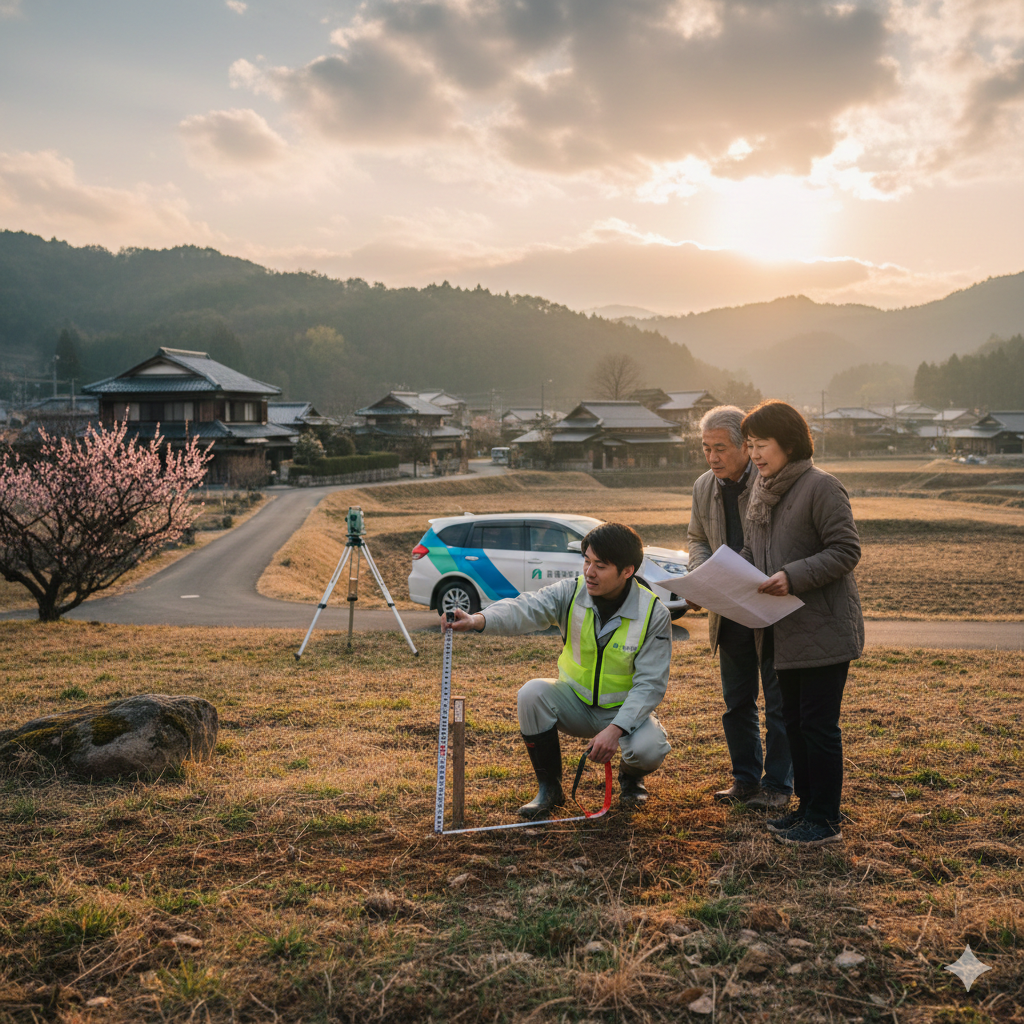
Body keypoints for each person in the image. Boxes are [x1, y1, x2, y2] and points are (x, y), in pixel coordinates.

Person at [442, 522, 672, 819]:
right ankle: (549, 790)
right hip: (574, 702)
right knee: (531, 693)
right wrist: (478, 620)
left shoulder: (654, 614)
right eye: (586, 561)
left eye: (600, 565)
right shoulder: (571, 591)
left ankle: (631, 779)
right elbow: (525, 608)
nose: (589, 572)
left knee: (650, 749)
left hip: (622, 713)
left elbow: (650, 685)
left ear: (627, 571)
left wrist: (615, 730)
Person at [740, 400, 864, 847]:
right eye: (749, 445)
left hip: (821, 628)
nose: (753, 454)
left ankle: (825, 819)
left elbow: (846, 550)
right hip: (777, 628)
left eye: (762, 444)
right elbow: (756, 554)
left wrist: (793, 576)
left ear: (789, 444)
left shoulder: (821, 487)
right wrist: (733, 575)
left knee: (818, 724)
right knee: (793, 721)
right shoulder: (763, 489)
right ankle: (805, 809)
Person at [687, 406, 793, 810]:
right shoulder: (702, 486)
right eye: (706, 448)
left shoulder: (771, 482)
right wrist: (699, 573)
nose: (713, 457)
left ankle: (779, 785)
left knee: (779, 703)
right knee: (737, 701)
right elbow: (697, 537)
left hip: (768, 604)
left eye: (721, 448)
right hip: (726, 608)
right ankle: (745, 779)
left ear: (747, 448)